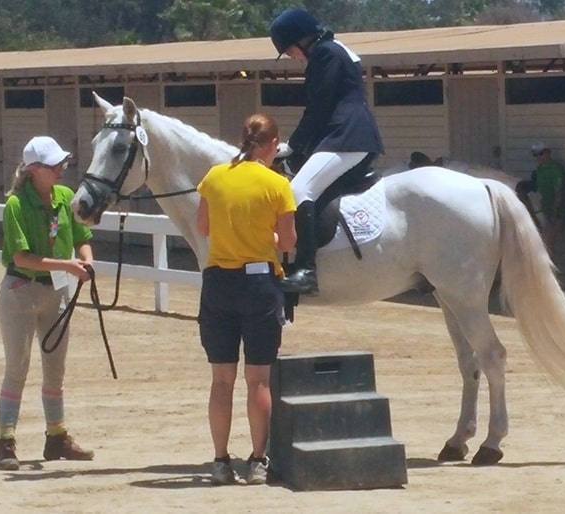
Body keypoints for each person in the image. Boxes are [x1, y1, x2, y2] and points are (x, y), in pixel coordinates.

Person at [195, 113, 297, 486]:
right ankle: (257, 460)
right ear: (272, 145)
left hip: (219, 282)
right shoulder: (277, 184)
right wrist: (264, 238)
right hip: (259, 285)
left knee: (221, 380)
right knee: (259, 380)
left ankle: (221, 460)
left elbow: (202, 228)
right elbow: (287, 243)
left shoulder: (214, 177)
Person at [0, 136, 95, 471]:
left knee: (56, 367)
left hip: (57, 292)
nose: (60, 168)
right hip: (20, 291)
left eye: (61, 162)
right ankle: (6, 441)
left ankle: (57, 436)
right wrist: (68, 266)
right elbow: (22, 257)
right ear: (33, 169)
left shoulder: (66, 198)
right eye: (53, 164)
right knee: (17, 366)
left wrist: (87, 261)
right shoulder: (15, 205)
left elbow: (82, 239)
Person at [268, 8, 384, 295]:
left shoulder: (325, 54)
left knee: (297, 191)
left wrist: (293, 145)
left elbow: (319, 108)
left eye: (289, 50)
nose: (292, 57)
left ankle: (307, 270)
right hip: (346, 134)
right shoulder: (334, 50)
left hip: (347, 136)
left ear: (301, 40)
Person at [517, 141, 565, 255]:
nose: (539, 157)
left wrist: (554, 213)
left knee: (547, 246)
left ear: (548, 153)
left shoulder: (555, 169)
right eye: (535, 154)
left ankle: (550, 272)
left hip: (553, 212)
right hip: (541, 211)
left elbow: (558, 192)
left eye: (541, 153)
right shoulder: (539, 169)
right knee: (542, 246)